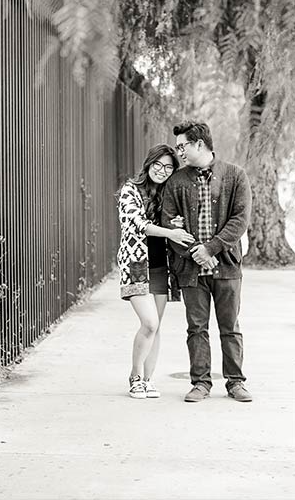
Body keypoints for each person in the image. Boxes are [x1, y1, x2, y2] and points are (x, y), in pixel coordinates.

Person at [161, 121, 253, 403]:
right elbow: (168, 221)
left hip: (226, 264)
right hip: (190, 268)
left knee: (230, 325)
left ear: (199, 144)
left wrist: (211, 249)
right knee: (196, 327)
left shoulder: (235, 175)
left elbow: (240, 220)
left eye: (182, 146)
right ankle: (200, 382)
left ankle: (235, 382)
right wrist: (194, 253)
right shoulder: (176, 181)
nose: (179, 152)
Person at [117, 144, 196, 399]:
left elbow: (178, 220)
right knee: (149, 323)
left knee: (157, 326)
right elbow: (138, 224)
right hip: (136, 266)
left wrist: (177, 224)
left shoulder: (168, 193)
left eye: (168, 167)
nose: (162, 171)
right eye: (158, 165)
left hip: (161, 266)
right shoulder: (130, 190)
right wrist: (170, 232)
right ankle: (135, 376)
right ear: (149, 164)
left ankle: (148, 379)